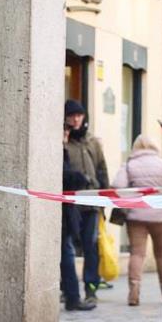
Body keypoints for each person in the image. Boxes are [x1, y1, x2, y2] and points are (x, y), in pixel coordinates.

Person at [111, 134, 162, 306]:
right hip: (161, 216)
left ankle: (134, 295)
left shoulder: (129, 165)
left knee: (137, 254)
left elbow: (117, 185)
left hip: (136, 215)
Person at [63, 99, 108, 305]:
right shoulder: (64, 141)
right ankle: (68, 287)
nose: (76, 119)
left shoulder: (92, 141)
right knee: (68, 247)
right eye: (72, 116)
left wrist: (105, 198)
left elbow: (102, 169)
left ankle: (91, 287)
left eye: (79, 115)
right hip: (71, 203)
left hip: (91, 202)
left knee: (91, 245)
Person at [61, 123, 95, 311]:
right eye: (64, 130)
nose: (67, 134)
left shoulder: (64, 149)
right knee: (67, 253)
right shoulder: (58, 151)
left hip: (67, 210)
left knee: (68, 252)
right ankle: (72, 297)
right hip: (62, 211)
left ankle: (71, 296)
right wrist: (81, 178)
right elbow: (63, 176)